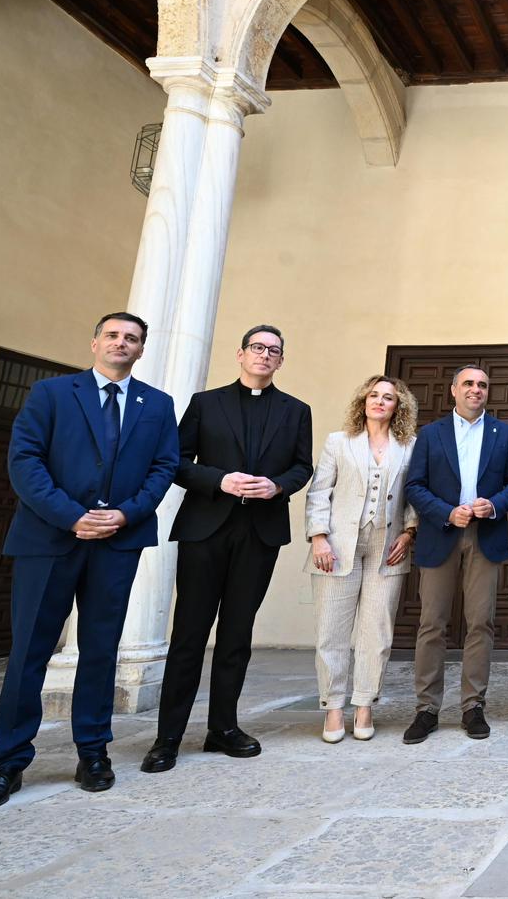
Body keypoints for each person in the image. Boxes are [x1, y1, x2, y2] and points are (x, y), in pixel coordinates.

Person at [0, 313, 178, 812]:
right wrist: (71, 517)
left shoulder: (157, 404)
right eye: (113, 335)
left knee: (101, 650)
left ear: (141, 350)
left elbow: (164, 466)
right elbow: (25, 460)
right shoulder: (52, 394)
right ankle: (9, 762)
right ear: (94, 342)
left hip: (117, 543)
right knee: (30, 653)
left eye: (132, 338)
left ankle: (93, 753)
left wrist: (125, 514)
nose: (121, 343)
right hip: (50, 540)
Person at [142, 324, 313, 774]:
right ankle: (168, 736)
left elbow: (302, 467)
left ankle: (223, 727)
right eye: (257, 348)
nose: (264, 355)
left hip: (260, 532)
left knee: (237, 635)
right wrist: (219, 479)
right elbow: (176, 462)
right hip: (206, 529)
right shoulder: (205, 403)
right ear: (241, 355)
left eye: (274, 350)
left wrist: (276, 486)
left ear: (280, 361)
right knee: (189, 635)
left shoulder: (296, 411)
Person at [401, 365, 508, 743]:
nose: (476, 389)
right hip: (442, 533)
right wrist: (445, 511)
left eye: (483, 385)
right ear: (454, 389)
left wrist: (495, 505)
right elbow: (415, 485)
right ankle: (427, 709)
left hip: (484, 534)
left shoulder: (502, 432)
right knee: (431, 624)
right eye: (469, 383)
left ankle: (473, 705)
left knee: (480, 623)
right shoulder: (430, 433)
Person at [303, 375, 420, 744]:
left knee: (377, 631)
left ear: (398, 406)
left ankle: (365, 704)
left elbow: (414, 494)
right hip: (337, 546)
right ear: (363, 401)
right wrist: (319, 537)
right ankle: (334, 706)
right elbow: (319, 491)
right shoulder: (339, 442)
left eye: (388, 397)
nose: (380, 402)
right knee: (331, 631)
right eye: (374, 395)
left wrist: (409, 531)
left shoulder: (410, 445)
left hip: (388, 546)